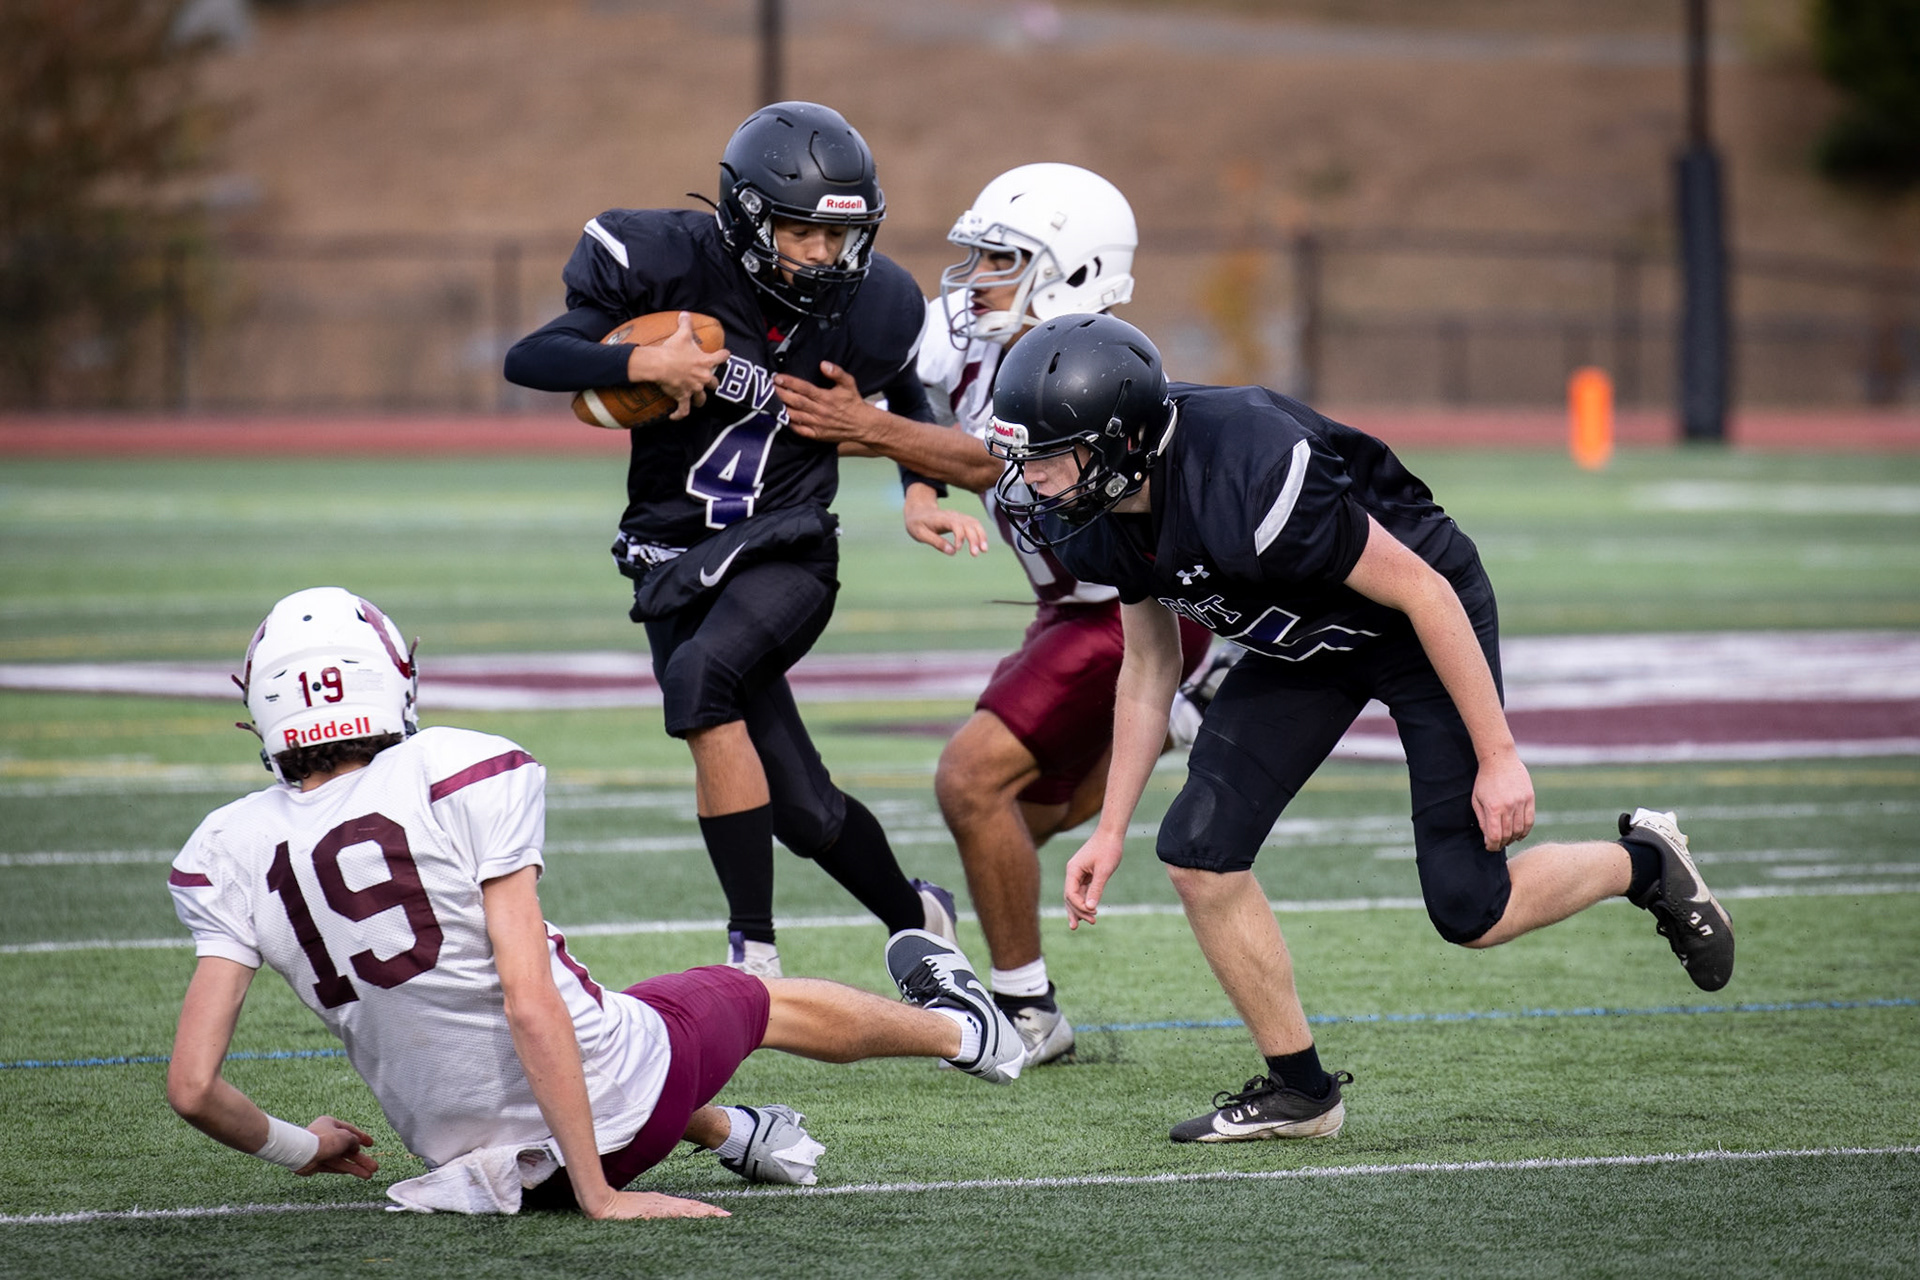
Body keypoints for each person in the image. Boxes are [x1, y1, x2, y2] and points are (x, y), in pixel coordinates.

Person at [982, 313, 1737, 1143]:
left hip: (1415, 625)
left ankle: (1643, 864)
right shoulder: (1094, 512)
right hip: (1302, 640)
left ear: (1123, 443)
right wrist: (1113, 830)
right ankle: (1302, 1093)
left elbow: (1422, 592)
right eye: (1027, 456)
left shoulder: (1251, 468)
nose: (1033, 480)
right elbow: (1149, 668)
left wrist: (1500, 755)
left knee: (1470, 909)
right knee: (1197, 854)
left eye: (1052, 457)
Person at [165, 588, 1023, 1220]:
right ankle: (969, 1032)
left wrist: (306, 1146)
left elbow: (194, 1088)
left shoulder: (225, 849)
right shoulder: (457, 770)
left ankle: (732, 1133)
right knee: (749, 997)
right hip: (602, 1128)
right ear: (387, 681)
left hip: (472, 1165)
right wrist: (602, 1193)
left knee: (629, 1010)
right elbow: (528, 1002)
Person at [773, 163, 1218, 1067]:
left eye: (1002, 258)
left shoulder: (1091, 356)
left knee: (971, 782)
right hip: (1072, 606)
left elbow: (993, 459)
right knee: (1028, 817)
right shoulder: (986, 332)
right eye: (976, 254)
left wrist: (870, 431)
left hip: (1130, 609)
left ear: (1076, 270)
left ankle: (1026, 1010)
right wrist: (911, 479)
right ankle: (1180, 713)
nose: (977, 276)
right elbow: (897, 367)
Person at [502, 102, 956, 978]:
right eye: (802, 233)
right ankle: (915, 912)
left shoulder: (876, 301)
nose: (825, 256)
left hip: (786, 547)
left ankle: (753, 952)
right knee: (803, 809)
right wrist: (642, 363)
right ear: (748, 218)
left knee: (699, 682)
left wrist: (921, 489)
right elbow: (534, 357)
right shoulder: (666, 261)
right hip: (674, 560)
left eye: (839, 236)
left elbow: (905, 393)